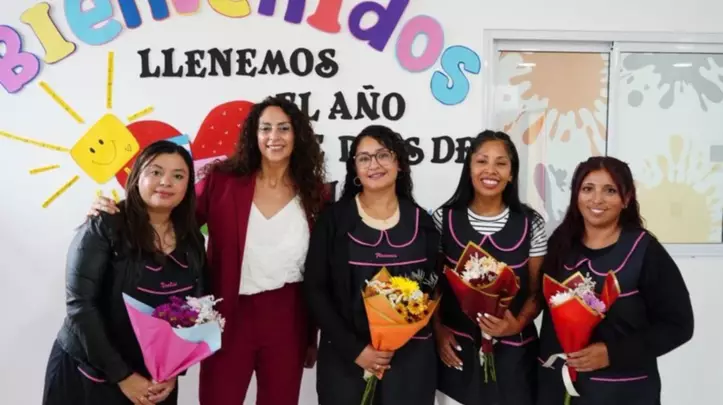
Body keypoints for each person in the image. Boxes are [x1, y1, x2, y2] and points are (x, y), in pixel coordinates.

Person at [87, 96, 332, 405]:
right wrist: (118, 212)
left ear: (298, 134)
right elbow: (172, 217)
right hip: (228, 313)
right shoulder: (223, 181)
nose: (274, 136)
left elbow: (323, 264)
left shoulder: (315, 193)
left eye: (284, 128)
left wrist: (312, 333)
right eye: (265, 128)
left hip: (289, 315)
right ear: (253, 134)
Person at [43, 140, 209, 405]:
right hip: (92, 371)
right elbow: (80, 307)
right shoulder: (105, 224)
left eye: (178, 176)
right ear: (137, 176)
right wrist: (124, 376)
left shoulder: (191, 238)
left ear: (187, 187)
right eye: (156, 172)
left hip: (156, 378)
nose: (166, 182)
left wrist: (174, 370)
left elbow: (196, 305)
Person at [536, 156, 694, 405]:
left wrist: (613, 353)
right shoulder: (561, 243)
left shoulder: (645, 251)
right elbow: (539, 304)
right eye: (588, 189)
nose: (597, 199)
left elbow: (679, 326)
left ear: (626, 198)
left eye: (610, 191)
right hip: (558, 389)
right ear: (576, 195)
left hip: (623, 392)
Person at [304, 125, 441, 405]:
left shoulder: (423, 222)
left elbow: (434, 286)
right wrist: (356, 350)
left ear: (399, 164)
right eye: (364, 158)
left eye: (383, 155)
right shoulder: (333, 222)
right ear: (354, 168)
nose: (374, 165)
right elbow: (315, 289)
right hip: (346, 360)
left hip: (411, 362)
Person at [434, 130, 547, 405]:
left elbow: (538, 291)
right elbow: (432, 286)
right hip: (458, 350)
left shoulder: (531, 223)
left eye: (501, 163)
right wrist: (438, 331)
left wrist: (516, 324)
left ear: (512, 173)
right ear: (469, 168)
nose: (491, 170)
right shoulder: (443, 219)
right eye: (482, 161)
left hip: (514, 355)